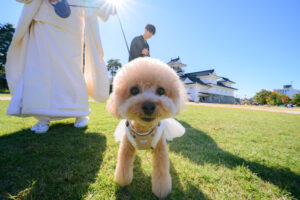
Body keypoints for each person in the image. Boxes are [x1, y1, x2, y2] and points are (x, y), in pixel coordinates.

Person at [6, 0, 115, 133]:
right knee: (42, 69)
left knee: (72, 70)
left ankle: (80, 113)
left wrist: (105, 7)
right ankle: (43, 117)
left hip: (72, 22)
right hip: (44, 20)